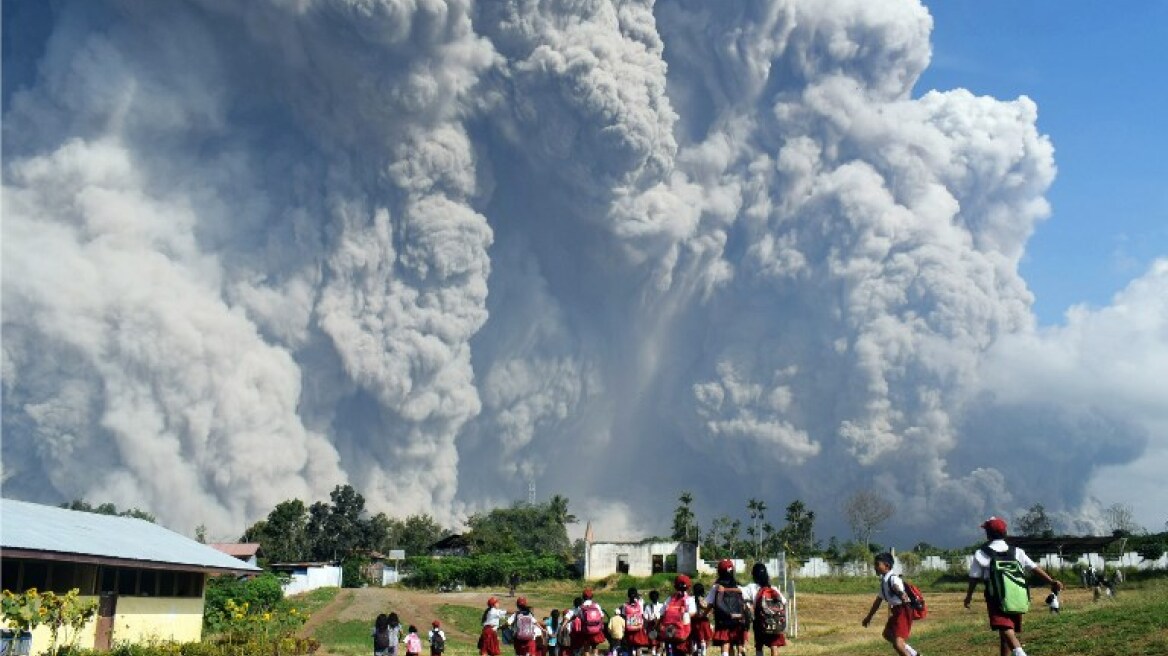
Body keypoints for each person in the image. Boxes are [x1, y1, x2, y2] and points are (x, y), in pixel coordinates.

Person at [963, 517, 1063, 656]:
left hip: (995, 595)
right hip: (1017, 594)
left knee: (1003, 626)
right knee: (1007, 630)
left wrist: (968, 597)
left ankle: (1020, 653)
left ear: (988, 534)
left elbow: (974, 577)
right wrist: (1051, 581)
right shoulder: (1017, 551)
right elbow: (1033, 568)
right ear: (1005, 533)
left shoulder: (982, 553)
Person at [861, 553, 917, 656]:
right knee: (887, 634)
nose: (875, 567)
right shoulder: (884, 581)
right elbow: (877, 601)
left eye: (877, 564)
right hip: (896, 611)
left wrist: (901, 594)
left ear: (886, 566)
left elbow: (897, 587)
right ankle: (914, 654)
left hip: (903, 611)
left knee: (898, 644)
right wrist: (869, 617)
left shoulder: (893, 579)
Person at [706, 559, 749, 656]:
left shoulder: (716, 587)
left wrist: (704, 614)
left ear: (719, 571)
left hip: (723, 620)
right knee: (736, 642)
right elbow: (745, 602)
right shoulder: (738, 586)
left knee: (725, 644)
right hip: (737, 619)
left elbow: (709, 603)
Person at [744, 564, 787, 656]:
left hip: (760, 621)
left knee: (759, 646)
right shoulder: (773, 588)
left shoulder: (751, 587)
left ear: (754, 575)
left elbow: (743, 597)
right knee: (774, 645)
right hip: (774, 621)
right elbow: (784, 601)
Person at [658, 575, 697, 656]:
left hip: (669, 632)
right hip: (683, 632)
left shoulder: (670, 599)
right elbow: (692, 613)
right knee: (682, 652)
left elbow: (661, 613)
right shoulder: (689, 599)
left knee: (670, 651)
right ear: (688, 586)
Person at [622, 588, 650, 656]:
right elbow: (642, 614)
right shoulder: (640, 603)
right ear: (636, 595)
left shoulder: (625, 605)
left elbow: (623, 616)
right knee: (638, 646)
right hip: (638, 628)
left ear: (628, 595)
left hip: (629, 628)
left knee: (630, 646)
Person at [689, 583, 713, 656]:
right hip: (703, 621)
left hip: (693, 620)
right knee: (704, 640)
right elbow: (707, 608)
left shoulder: (691, 598)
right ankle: (702, 653)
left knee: (695, 639)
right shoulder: (703, 599)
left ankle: (697, 651)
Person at [644, 590, 664, 656]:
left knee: (653, 644)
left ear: (650, 598)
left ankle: (654, 652)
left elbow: (646, 618)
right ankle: (658, 653)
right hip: (660, 627)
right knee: (660, 643)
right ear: (658, 597)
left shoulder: (647, 607)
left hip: (651, 628)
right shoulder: (662, 606)